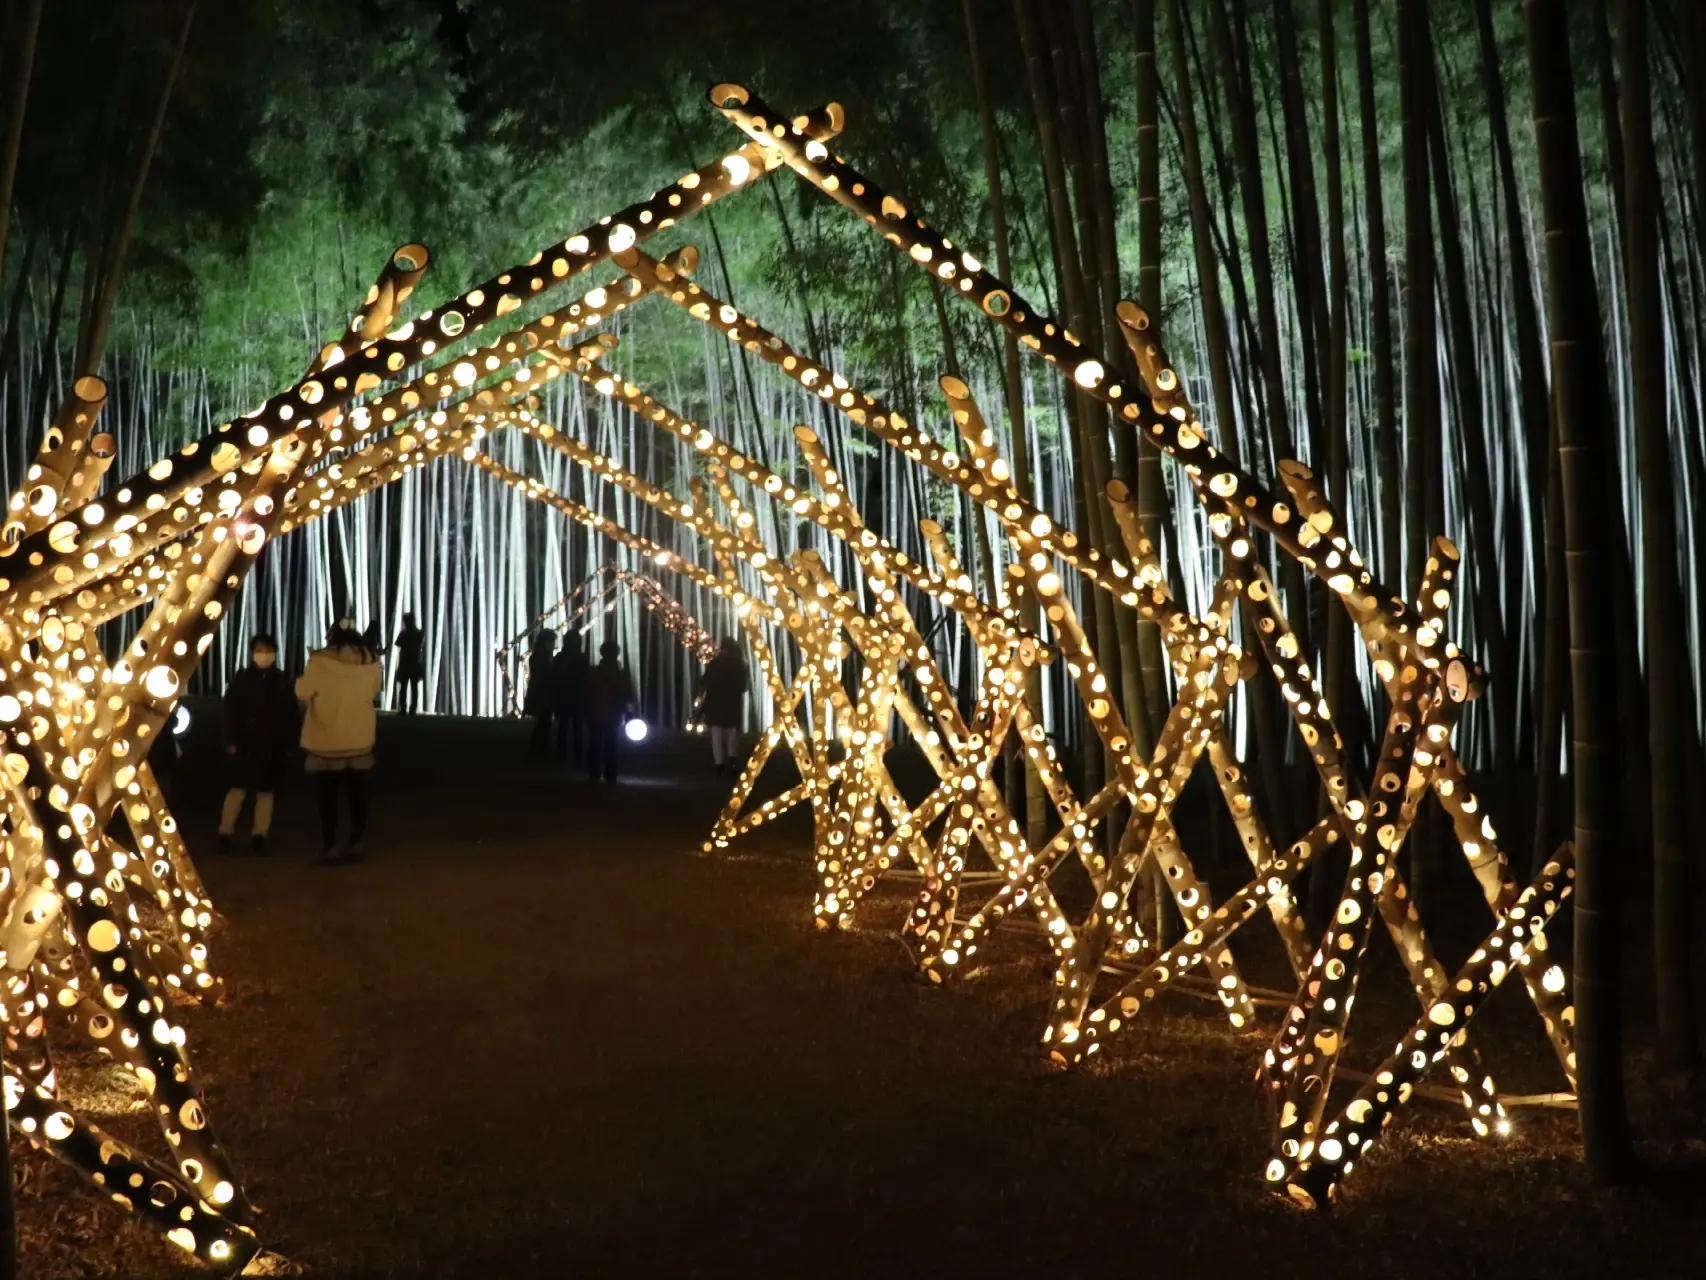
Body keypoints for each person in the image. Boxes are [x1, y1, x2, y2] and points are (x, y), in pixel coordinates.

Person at [297, 618, 382, 865]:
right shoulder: (370, 661)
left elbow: (302, 692)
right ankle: (356, 840)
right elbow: (376, 689)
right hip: (359, 737)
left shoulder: (319, 661)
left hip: (327, 740)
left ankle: (330, 845)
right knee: (358, 794)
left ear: (331, 637)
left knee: (328, 796)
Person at [218, 633, 298, 854]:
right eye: (260, 650)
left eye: (268, 650)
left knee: (265, 792)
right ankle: (225, 831)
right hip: (244, 742)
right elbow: (229, 711)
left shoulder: (281, 680)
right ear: (253, 653)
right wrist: (231, 740)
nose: (264, 654)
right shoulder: (242, 678)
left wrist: (288, 743)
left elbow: (290, 715)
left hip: (271, 745)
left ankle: (259, 834)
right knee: (237, 790)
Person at [584, 639, 635, 783]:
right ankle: (610, 773)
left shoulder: (594, 672)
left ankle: (594, 772)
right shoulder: (620, 674)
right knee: (610, 744)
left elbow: (587, 692)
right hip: (612, 713)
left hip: (596, 712)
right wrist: (629, 711)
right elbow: (626, 694)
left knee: (595, 743)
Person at [698, 636, 750, 776]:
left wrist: (700, 700)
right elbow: (744, 687)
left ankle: (719, 765)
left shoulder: (716, 663)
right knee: (732, 734)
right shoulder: (740, 664)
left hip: (715, 703)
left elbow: (705, 682)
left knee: (717, 734)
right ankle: (733, 761)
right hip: (732, 703)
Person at [551, 631, 590, 765]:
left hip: (566, 696)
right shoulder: (581, 658)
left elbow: (555, 677)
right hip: (576, 697)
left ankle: (562, 756)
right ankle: (576, 757)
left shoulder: (561, 658)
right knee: (575, 728)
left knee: (565, 727)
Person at [524, 629, 558, 759]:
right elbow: (546, 675)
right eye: (552, 641)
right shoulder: (543, 657)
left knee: (543, 722)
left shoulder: (538, 655)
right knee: (544, 723)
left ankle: (537, 749)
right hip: (543, 693)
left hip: (540, 692)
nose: (554, 644)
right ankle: (538, 750)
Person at [393, 613, 426, 714]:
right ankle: (412, 709)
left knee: (404, 687)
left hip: (405, 663)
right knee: (413, 688)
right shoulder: (418, 633)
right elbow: (420, 643)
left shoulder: (404, 633)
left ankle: (403, 708)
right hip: (414, 663)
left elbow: (397, 643)